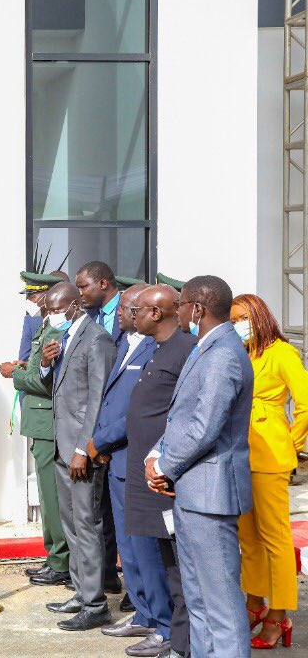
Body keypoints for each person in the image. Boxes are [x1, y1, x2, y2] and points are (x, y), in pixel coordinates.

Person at [145, 275, 253, 657]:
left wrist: (165, 466)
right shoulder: (206, 348)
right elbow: (182, 416)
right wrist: (155, 455)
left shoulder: (224, 353)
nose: (178, 311)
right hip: (192, 493)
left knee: (221, 604)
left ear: (198, 309)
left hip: (210, 495)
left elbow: (206, 425)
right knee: (200, 599)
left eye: (182, 303)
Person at [87, 285, 166, 656]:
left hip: (134, 456)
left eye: (126, 308)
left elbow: (136, 409)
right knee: (128, 546)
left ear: (143, 312)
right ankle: (141, 611)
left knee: (146, 547)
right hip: (116, 457)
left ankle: (158, 619)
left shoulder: (157, 349)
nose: (118, 313)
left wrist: (100, 441)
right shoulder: (126, 343)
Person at [230, 294, 308, 649]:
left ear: (259, 316)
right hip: (240, 455)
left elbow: (305, 404)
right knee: (248, 539)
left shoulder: (282, 353)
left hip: (270, 456)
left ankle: (279, 616)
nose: (237, 325)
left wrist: (290, 445)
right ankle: (254, 603)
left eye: (242, 318)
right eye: (232, 320)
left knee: (275, 540)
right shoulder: (241, 352)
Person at [41, 281, 116, 631]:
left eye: (57, 309)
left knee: (87, 524)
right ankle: (80, 591)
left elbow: (97, 398)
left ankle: (96, 603)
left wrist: (82, 448)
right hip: (60, 444)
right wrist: (45, 365)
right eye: (49, 310)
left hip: (78, 451)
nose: (52, 315)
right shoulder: (65, 338)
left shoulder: (97, 337)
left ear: (74, 305)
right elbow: (58, 390)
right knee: (71, 524)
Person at [129, 283, 195, 658]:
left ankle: (181, 643)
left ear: (157, 313)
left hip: (167, 477)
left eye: (138, 309)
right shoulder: (158, 350)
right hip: (149, 473)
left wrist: (166, 463)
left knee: (178, 569)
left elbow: (184, 417)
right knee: (163, 562)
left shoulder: (185, 351)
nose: (132, 314)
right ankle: (169, 633)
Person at [2, 272, 70, 587]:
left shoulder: (56, 330)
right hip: (39, 423)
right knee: (47, 494)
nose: (30, 302)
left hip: (48, 423)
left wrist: (14, 375)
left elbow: (48, 383)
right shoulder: (44, 326)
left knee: (53, 498)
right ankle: (54, 558)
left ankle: (60, 562)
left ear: (48, 296)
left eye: (34, 295)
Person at [76, 261, 123, 595]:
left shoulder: (130, 314)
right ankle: (106, 576)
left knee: (121, 514)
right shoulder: (91, 318)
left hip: (119, 426)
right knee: (101, 508)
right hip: (98, 429)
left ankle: (135, 590)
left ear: (103, 283)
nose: (81, 294)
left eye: (84, 287)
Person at [17, 270, 69, 361]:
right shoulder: (32, 321)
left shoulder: (80, 319)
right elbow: (25, 359)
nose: (31, 302)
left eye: (33, 297)